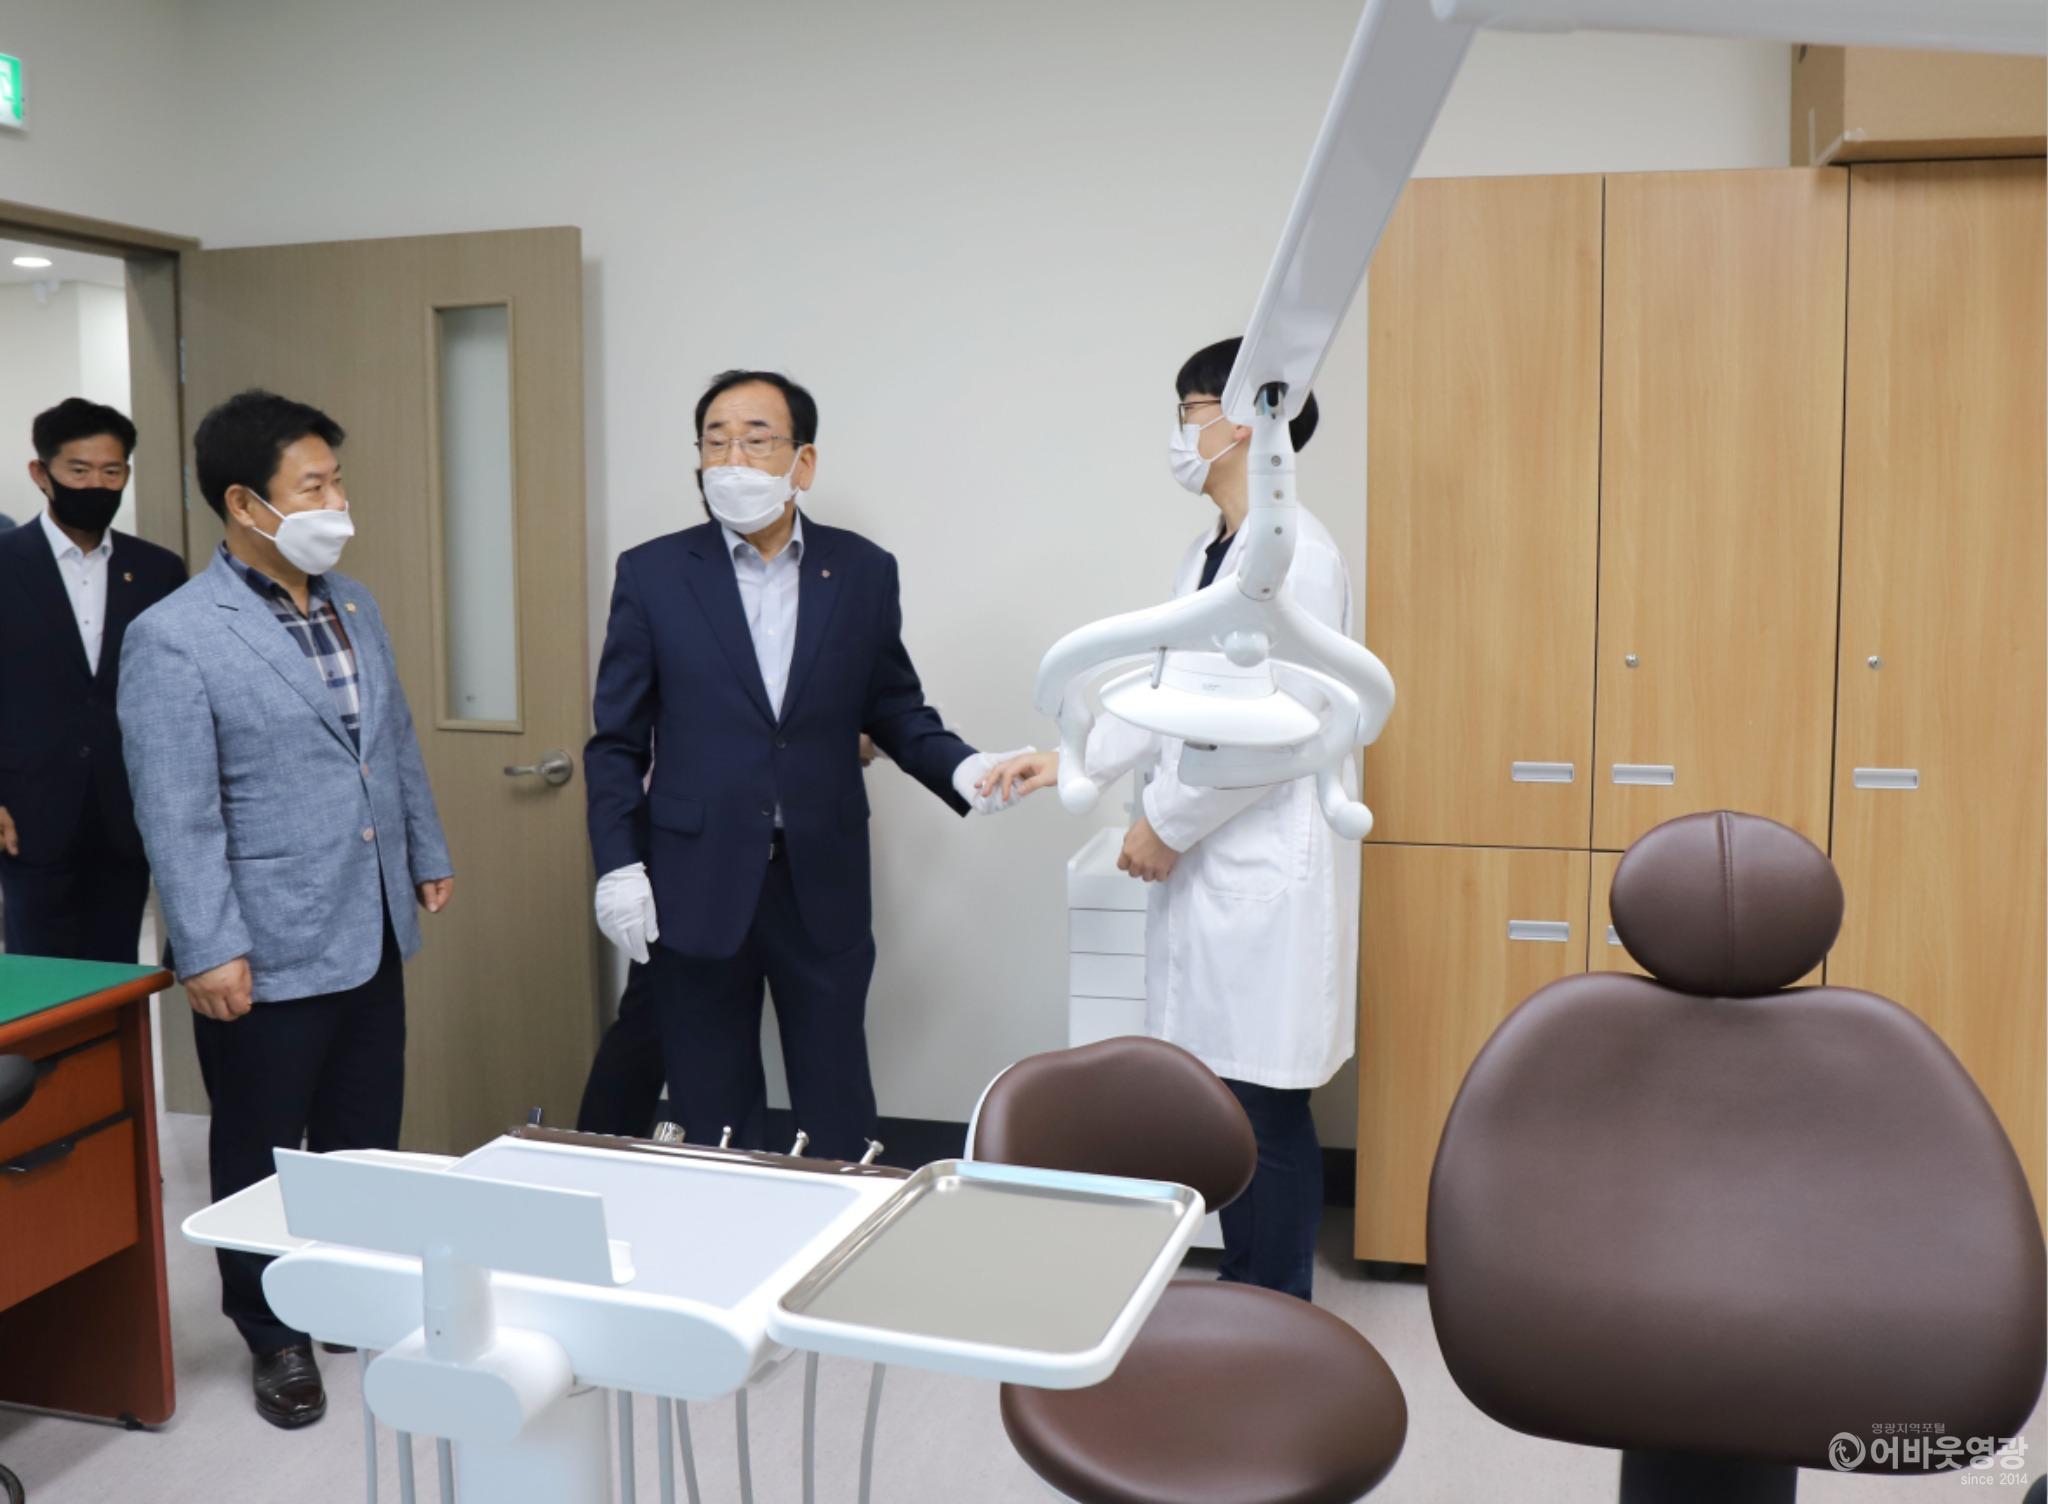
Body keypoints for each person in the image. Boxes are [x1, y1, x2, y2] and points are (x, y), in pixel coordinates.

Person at [982, 337, 1358, 1302]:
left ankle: (1275, 1312)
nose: (1181, 431)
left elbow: (1286, 731)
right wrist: (1071, 759)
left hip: (1262, 866)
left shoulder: (1299, 557)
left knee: (1265, 1105)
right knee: (1225, 1097)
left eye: (1190, 409)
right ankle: (1244, 1289)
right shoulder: (1214, 551)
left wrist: (1167, 825)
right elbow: (1172, 689)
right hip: (1217, 870)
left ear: (1250, 420)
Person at [118, 389, 454, 1429]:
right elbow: (176, 811)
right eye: (314, 486)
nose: (336, 502)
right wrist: (206, 946)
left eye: (336, 481)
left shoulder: (354, 603)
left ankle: (349, 1293)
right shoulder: (175, 636)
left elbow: (389, 743)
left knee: (362, 1133)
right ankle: (271, 1333)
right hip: (260, 941)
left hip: (369, 920)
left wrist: (425, 850)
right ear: (244, 502)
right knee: (263, 1147)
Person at [585, 370, 1022, 1164]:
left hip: (819, 874)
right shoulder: (652, 573)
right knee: (711, 1112)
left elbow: (893, 707)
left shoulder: (860, 570)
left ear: (803, 462)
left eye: (756, 440)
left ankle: (842, 1239)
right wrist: (618, 864)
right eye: (715, 441)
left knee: (838, 1106)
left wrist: (963, 770)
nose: (732, 459)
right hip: (694, 877)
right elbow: (616, 740)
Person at [0, 399, 184, 961]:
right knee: (41, 979)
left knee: (117, 973)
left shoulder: (158, 571)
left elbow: (174, 694)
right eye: (79, 471)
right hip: (28, 815)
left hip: (124, 815)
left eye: (112, 471)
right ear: (42, 473)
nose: (97, 485)